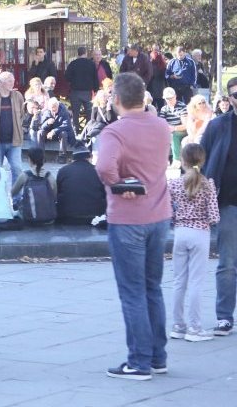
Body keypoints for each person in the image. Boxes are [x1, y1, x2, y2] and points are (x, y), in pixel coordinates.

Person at [95, 72, 172, 380]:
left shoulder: (114, 131)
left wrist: (118, 183)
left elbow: (104, 166)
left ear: (116, 99)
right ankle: (157, 357)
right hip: (159, 214)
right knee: (153, 287)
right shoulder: (161, 125)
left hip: (128, 218)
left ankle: (139, 361)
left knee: (132, 292)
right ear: (143, 97)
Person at [169, 143, 221, 343]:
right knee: (196, 282)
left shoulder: (173, 184)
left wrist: (177, 218)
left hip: (180, 232)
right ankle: (194, 328)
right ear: (202, 160)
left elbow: (168, 210)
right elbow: (214, 216)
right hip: (200, 233)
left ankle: (178, 325)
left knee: (178, 281)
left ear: (182, 161)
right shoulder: (207, 184)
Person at [199, 75, 237, 338]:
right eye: (235, 94)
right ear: (229, 99)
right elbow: (201, 160)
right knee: (228, 263)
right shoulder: (218, 126)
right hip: (228, 203)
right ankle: (224, 316)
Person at [55, 146, 107, 225]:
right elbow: (105, 193)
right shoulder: (98, 171)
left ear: (73, 158)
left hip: (67, 216)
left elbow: (57, 192)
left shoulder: (63, 170)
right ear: (89, 157)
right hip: (95, 215)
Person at [65, 47, 99, 134]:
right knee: (89, 113)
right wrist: (96, 90)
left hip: (75, 92)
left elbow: (67, 77)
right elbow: (95, 78)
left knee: (75, 113)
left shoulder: (73, 64)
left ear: (78, 53)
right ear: (86, 53)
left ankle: (75, 131)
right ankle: (88, 131)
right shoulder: (91, 64)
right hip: (88, 92)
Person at [160, 87, 188, 165]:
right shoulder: (164, 109)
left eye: (171, 98)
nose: (169, 100)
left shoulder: (182, 106)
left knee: (173, 135)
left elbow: (186, 125)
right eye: (167, 98)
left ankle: (176, 160)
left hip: (182, 131)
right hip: (168, 131)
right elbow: (161, 123)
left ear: (175, 96)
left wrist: (174, 128)